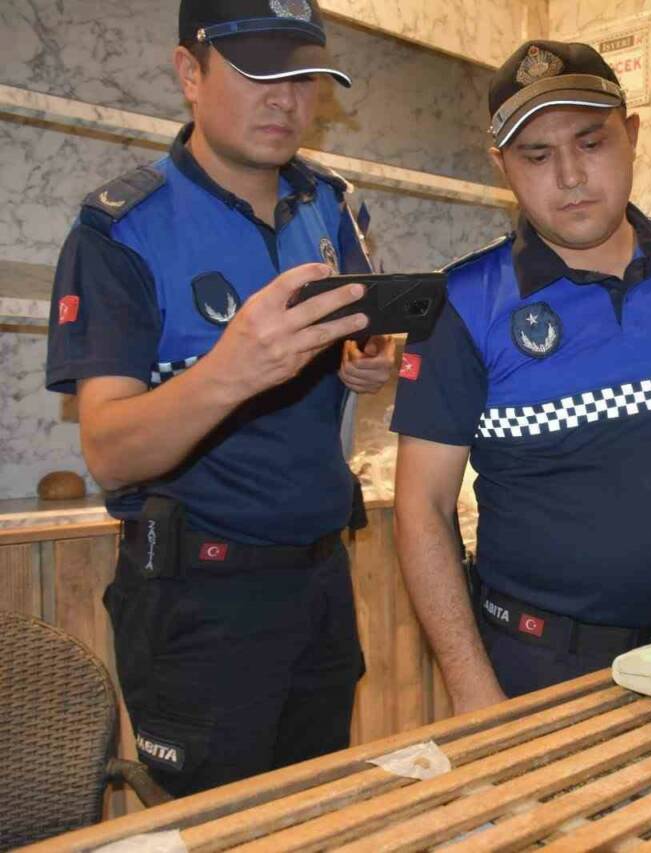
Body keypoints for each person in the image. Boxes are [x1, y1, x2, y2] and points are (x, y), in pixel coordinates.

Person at [44, 0, 395, 795]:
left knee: (313, 819)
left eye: (304, 75)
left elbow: (362, 339)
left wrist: (365, 358)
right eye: (258, 72)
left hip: (321, 580)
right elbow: (110, 449)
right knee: (213, 830)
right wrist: (234, 366)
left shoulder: (333, 208)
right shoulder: (122, 231)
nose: (286, 98)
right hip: (198, 604)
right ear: (189, 74)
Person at [392, 40, 651, 711]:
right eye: (537, 155)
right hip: (540, 666)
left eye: (591, 142)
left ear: (631, 135)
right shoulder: (461, 306)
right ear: (503, 167)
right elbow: (422, 509)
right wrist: (473, 690)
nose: (571, 175)